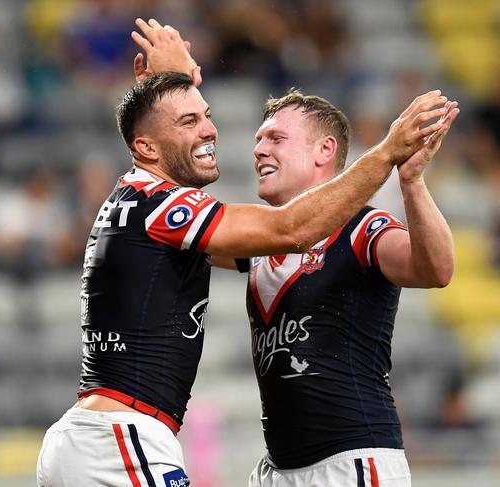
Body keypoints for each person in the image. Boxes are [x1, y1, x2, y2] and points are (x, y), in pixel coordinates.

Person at [36, 21, 454, 487]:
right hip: (123, 437)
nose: (256, 146)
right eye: (257, 136)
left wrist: (410, 180)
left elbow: (435, 269)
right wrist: (385, 156)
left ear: (324, 151)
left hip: (348, 462)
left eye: (275, 137)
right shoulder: (192, 216)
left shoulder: (360, 228)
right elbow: (292, 228)